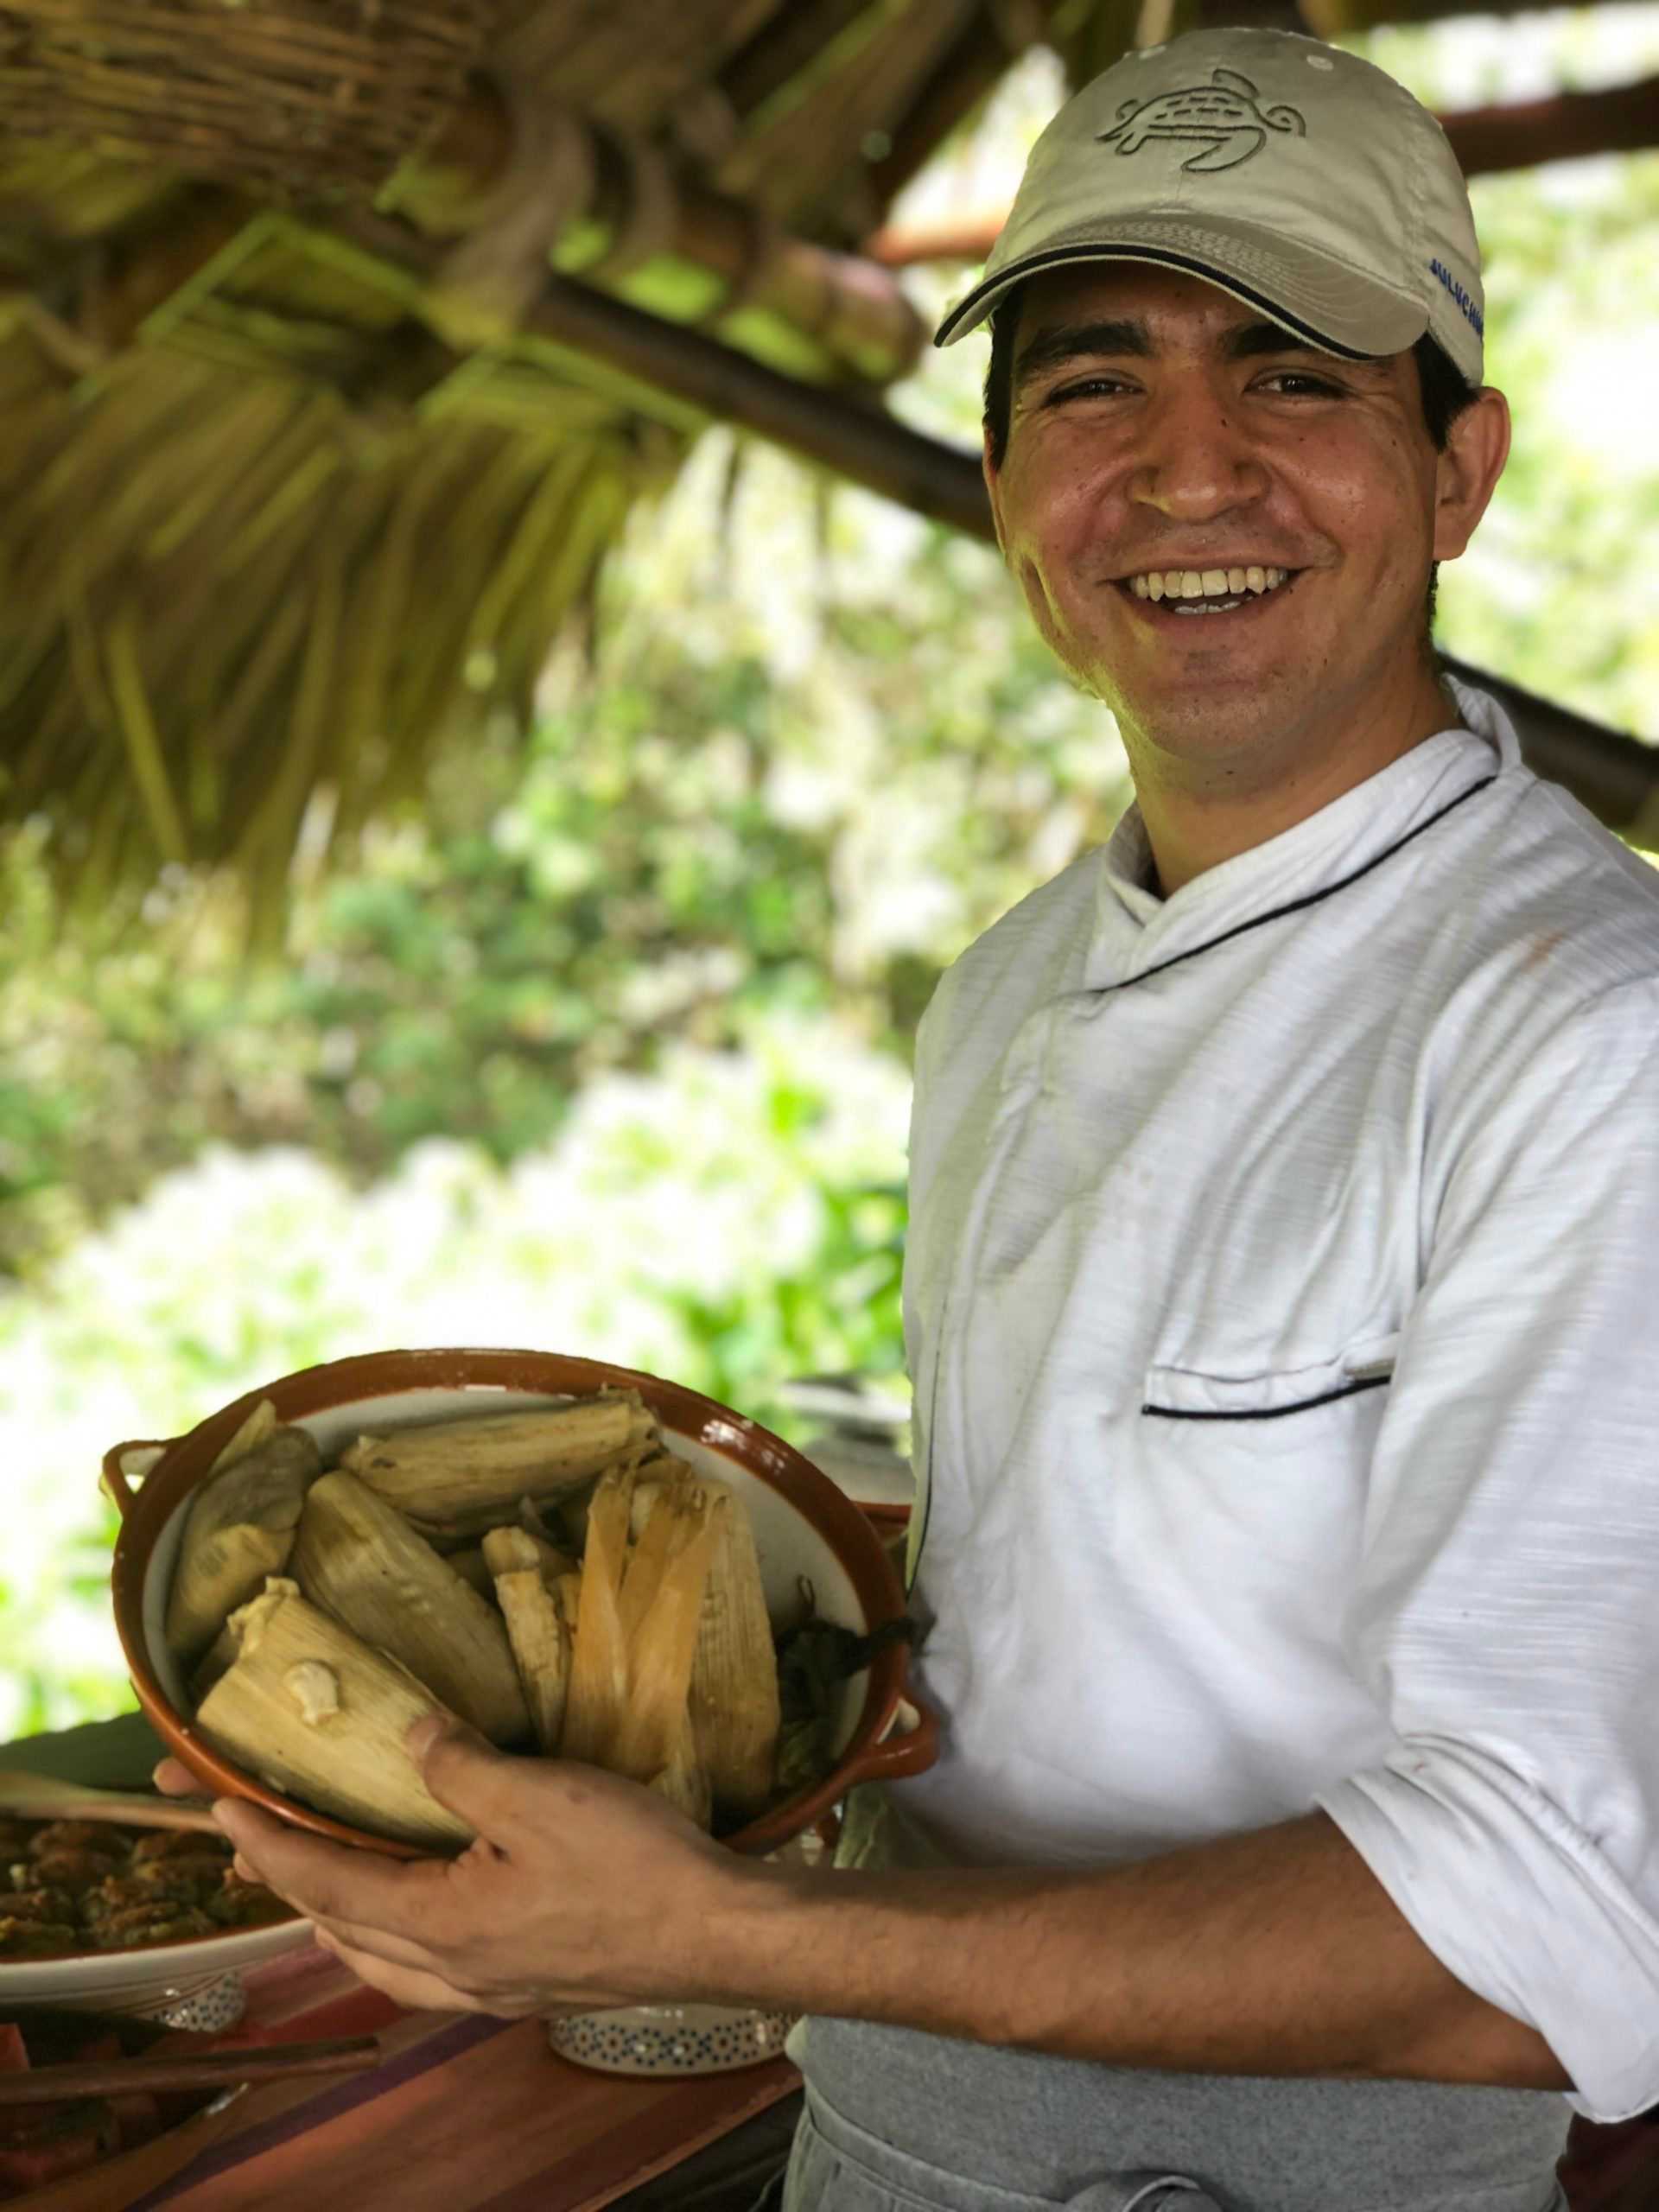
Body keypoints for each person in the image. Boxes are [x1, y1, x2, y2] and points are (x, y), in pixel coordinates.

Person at [157, 28, 1659, 2212]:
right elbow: (1062, 1634)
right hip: (886, 2131)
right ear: (1005, 491)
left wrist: (728, 1934)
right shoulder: (1020, 986)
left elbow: (1551, 1930)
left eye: (1300, 376)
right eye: (1090, 386)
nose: (1185, 466)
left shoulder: (1582, 1030)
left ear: (1460, 470)